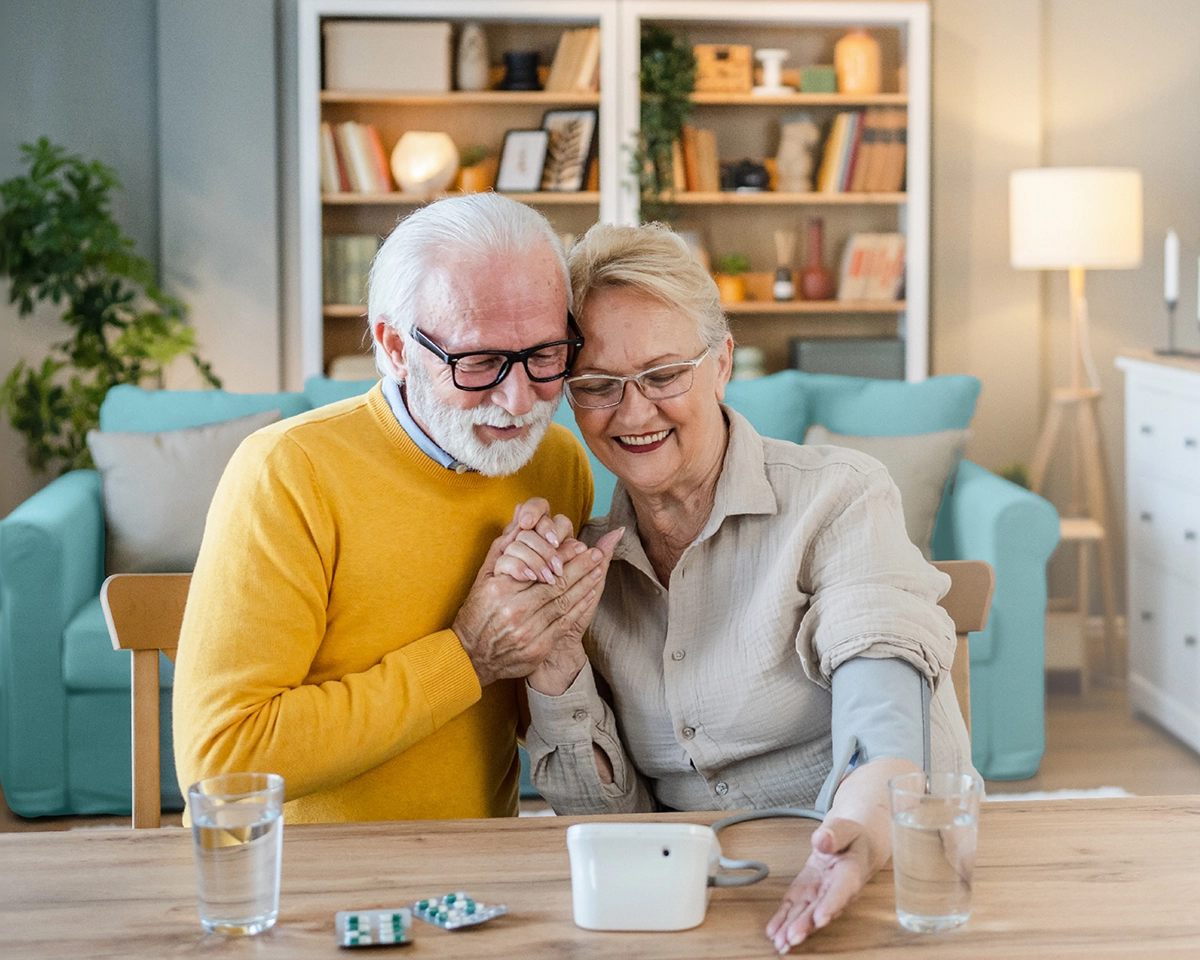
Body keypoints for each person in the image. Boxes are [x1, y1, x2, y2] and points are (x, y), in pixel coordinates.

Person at [497, 222, 976, 953]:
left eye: (663, 375)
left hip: (874, 869)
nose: (633, 412)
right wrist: (557, 668)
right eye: (597, 386)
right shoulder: (587, 569)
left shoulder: (838, 497)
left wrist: (861, 832)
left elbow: (882, 694)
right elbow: (615, 829)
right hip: (691, 906)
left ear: (721, 362)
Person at [172, 193, 620, 824]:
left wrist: (552, 647)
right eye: (481, 361)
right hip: (299, 884)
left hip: (479, 878)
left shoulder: (556, 462)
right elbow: (220, 762)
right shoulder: (286, 472)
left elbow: (524, 717)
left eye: (545, 355)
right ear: (395, 347)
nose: (520, 401)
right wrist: (466, 654)